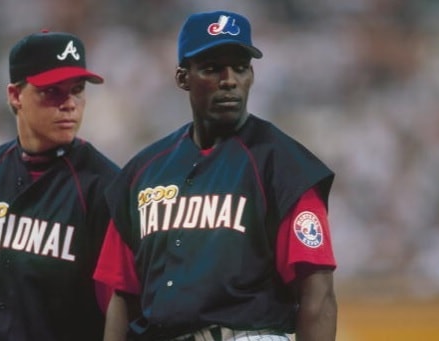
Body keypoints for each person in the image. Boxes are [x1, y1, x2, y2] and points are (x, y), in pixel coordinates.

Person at [94, 10, 337, 341]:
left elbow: (317, 293)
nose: (229, 80)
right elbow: (122, 293)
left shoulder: (284, 164)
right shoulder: (142, 172)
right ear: (183, 78)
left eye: (240, 67)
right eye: (212, 68)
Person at [0, 30, 121, 341]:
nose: (69, 104)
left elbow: (120, 304)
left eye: (77, 90)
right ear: (15, 95)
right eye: (51, 91)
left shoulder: (104, 188)